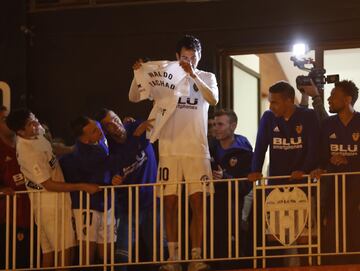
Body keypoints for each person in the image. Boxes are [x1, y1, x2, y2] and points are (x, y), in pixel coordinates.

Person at [129, 35, 219, 271]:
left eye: (194, 58)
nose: (189, 61)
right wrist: (138, 74)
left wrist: (193, 74)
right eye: (185, 57)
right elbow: (136, 96)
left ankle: (196, 257)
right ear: (177, 56)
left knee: (198, 204)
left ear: (199, 57)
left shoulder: (207, 77)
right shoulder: (165, 75)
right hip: (169, 148)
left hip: (197, 150)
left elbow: (214, 98)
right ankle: (173, 257)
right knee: (169, 203)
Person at [6, 109, 100, 268]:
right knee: (65, 250)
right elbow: (48, 184)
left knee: (48, 253)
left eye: (35, 118)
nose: (36, 123)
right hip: (49, 205)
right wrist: (82, 186)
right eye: (31, 123)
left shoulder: (36, 131)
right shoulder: (28, 152)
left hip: (54, 202)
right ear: (21, 131)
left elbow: (50, 146)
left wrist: (71, 149)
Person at [248, 81, 320, 267]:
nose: (271, 106)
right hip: (276, 187)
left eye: (275, 102)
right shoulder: (268, 117)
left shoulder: (308, 115)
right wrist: (255, 170)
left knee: (304, 233)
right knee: (277, 234)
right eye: (270, 102)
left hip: (303, 186)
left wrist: (303, 170)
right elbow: (260, 147)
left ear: (289, 100)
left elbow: (314, 149)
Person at [96, 109, 159, 270]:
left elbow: (153, 125)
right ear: (105, 131)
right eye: (109, 125)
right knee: (122, 255)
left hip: (152, 201)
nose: (115, 125)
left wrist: (138, 131)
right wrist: (114, 179)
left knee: (160, 250)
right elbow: (119, 162)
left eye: (115, 119)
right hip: (128, 206)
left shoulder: (135, 125)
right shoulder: (110, 149)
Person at [311, 80, 360, 263]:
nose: (329, 99)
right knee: (331, 227)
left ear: (347, 99)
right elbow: (320, 155)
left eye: (333, 95)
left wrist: (349, 159)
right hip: (332, 188)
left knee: (354, 228)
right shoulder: (327, 124)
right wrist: (320, 168)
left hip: (355, 188)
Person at [62, 116, 117, 265]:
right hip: (87, 206)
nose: (99, 131)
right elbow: (112, 163)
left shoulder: (99, 141)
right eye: (94, 131)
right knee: (87, 256)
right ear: (85, 139)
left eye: (97, 126)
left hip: (106, 204)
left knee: (108, 255)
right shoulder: (83, 154)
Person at [209, 109, 253, 269]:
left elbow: (246, 185)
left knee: (233, 255)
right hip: (211, 209)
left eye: (220, 124)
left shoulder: (244, 150)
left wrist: (224, 178)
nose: (216, 128)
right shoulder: (208, 147)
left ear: (233, 126)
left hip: (235, 208)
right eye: (214, 124)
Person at [0, 106, 31, 269]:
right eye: (4, 120)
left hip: (33, 213)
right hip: (9, 218)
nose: (9, 123)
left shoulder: (24, 140)